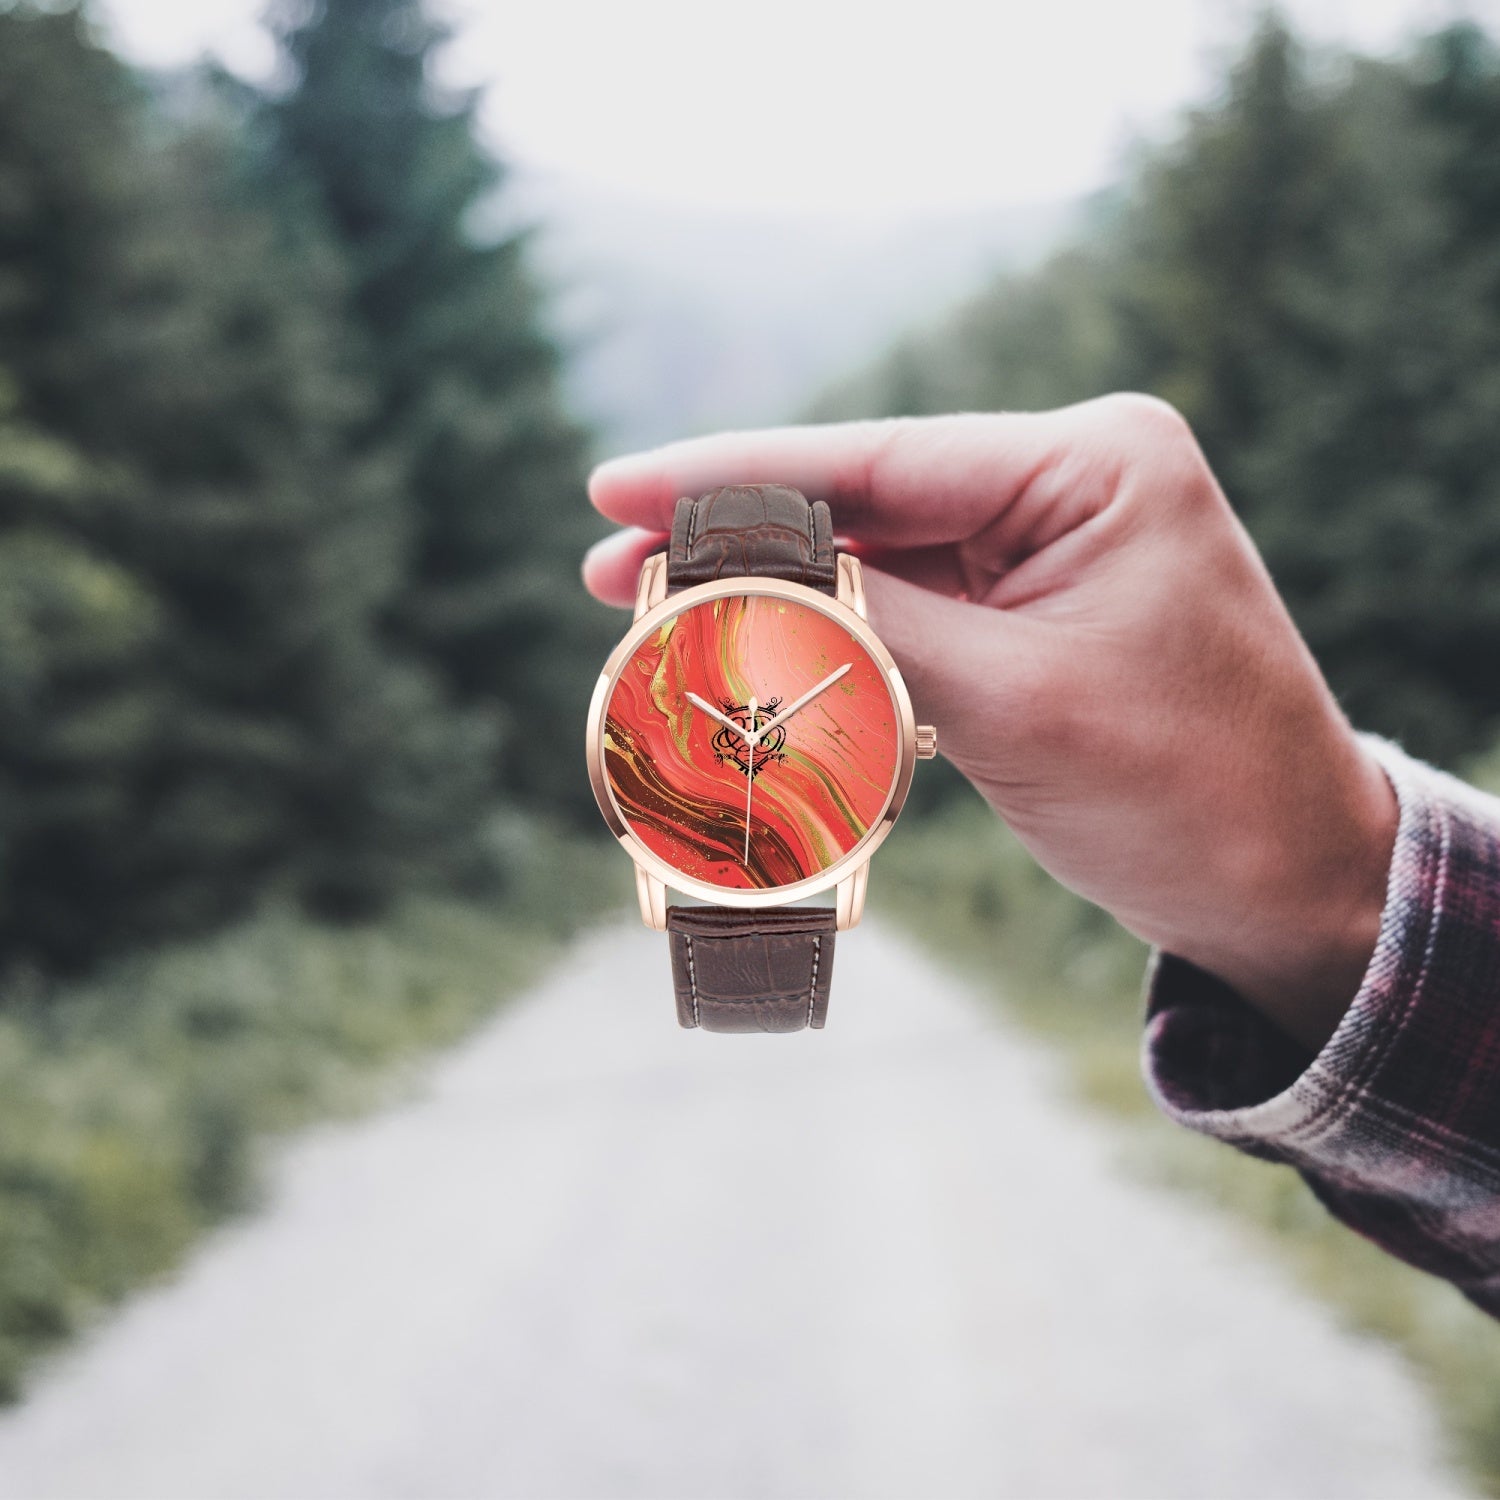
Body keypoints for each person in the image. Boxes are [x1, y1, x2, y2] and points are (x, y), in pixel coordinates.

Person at [582, 394, 1500, 1319]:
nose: (752, 737)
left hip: (770, 837)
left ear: (910, 738)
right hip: (720, 837)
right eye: (735, 725)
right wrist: (1334, 894)